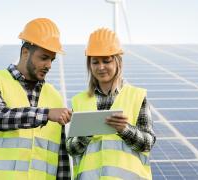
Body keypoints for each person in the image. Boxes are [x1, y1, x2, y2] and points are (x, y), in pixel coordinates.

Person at [0, 18, 72, 179]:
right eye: (44, 57)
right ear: (25, 52)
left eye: (52, 60)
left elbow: (61, 156)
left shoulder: (54, 96)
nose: (49, 65)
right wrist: (46, 114)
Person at [66, 28, 156, 180]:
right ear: (90, 65)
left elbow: (147, 143)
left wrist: (124, 129)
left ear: (117, 61)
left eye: (106, 60)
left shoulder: (136, 96)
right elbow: (71, 149)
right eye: (95, 62)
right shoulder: (79, 101)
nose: (101, 67)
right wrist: (86, 133)